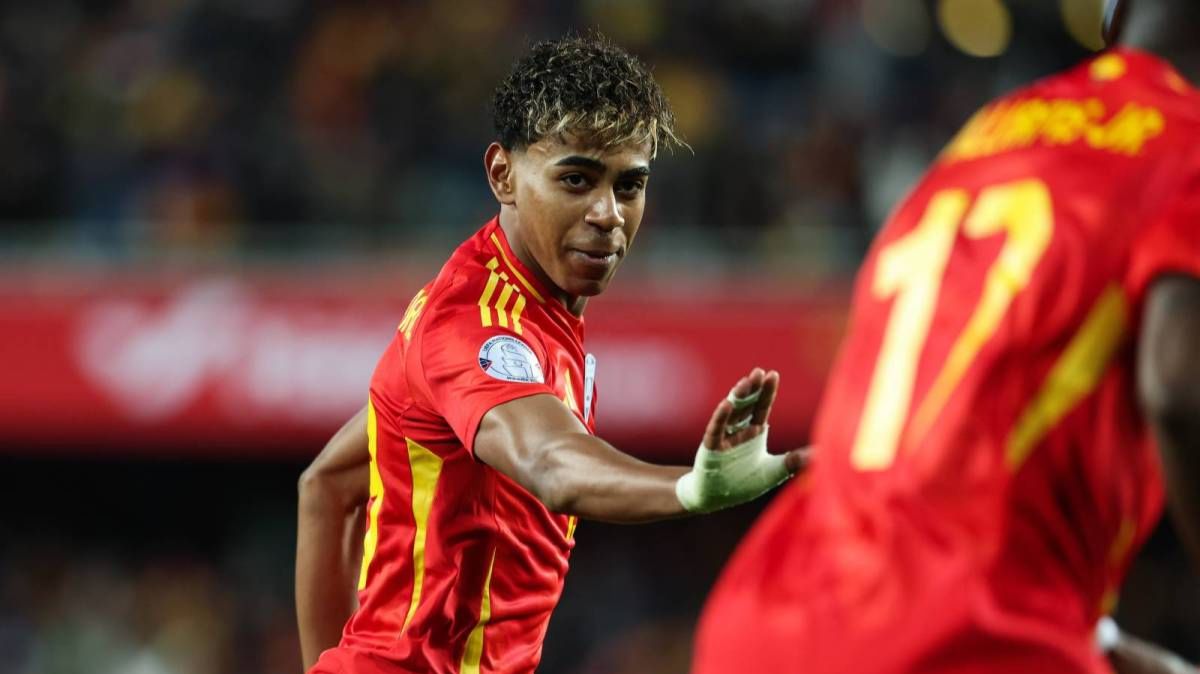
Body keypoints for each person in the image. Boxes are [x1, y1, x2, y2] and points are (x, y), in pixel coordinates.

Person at [692, 1, 1200, 672]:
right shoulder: (1186, 138)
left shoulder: (994, 129)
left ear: (1114, 17)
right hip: (952, 640)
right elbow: (1179, 388)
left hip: (770, 618)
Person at [295, 35, 805, 674]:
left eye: (629, 185)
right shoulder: (477, 327)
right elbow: (552, 464)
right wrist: (690, 488)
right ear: (502, 175)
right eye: (576, 179)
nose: (607, 214)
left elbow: (329, 484)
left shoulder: (542, 314)